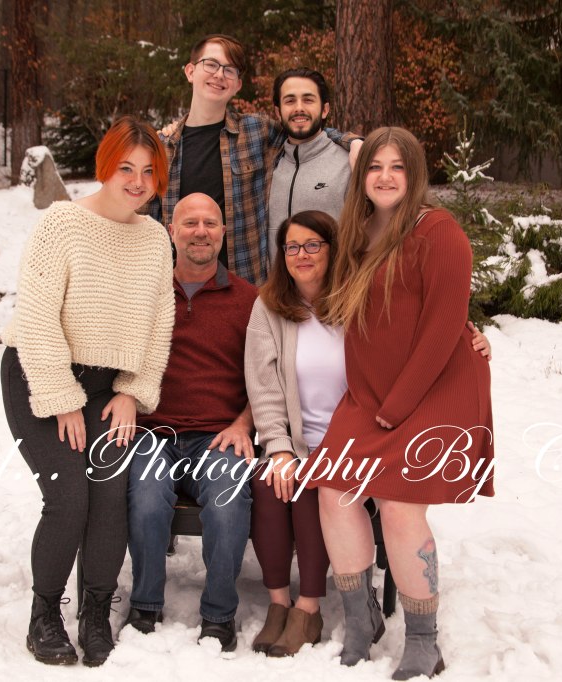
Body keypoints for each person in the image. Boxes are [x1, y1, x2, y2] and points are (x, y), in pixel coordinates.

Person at [244, 211, 491, 659]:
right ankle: (321, 611)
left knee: (350, 494)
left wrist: (466, 335)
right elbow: (263, 387)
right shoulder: (270, 307)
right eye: (292, 247)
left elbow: (422, 321)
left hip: (367, 434)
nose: (302, 255)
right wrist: (279, 447)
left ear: (334, 251)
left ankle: (338, 616)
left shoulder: (359, 298)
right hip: (302, 444)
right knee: (290, 487)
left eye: (313, 245)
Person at [311, 127, 495, 680]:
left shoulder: (439, 231)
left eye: (398, 167)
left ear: (415, 175)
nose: (385, 176)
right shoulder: (357, 231)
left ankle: (423, 641)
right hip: (372, 391)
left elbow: (442, 328)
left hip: (433, 390)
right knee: (333, 490)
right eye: (375, 167)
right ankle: (361, 618)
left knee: (398, 504)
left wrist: (397, 407)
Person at [0, 116, 174, 667]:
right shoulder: (62, 223)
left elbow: (159, 323)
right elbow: (36, 315)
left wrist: (132, 391)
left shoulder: (155, 238)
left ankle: (95, 611)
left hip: (107, 387)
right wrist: (62, 398)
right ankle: (45, 614)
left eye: (148, 171)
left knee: (109, 496)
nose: (137, 181)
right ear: (105, 167)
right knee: (69, 496)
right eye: (126, 168)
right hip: (39, 372)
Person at [125, 192, 259, 653]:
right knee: (146, 500)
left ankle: (219, 615)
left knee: (226, 503)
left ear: (223, 232)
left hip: (219, 434)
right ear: (171, 231)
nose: (200, 231)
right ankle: (145, 604)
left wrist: (243, 424)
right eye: (189, 223)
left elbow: (269, 378)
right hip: (153, 431)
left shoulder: (249, 301)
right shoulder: (147, 293)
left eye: (209, 223)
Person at [146, 35, 360, 285]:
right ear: (190, 71)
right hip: (180, 291)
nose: (219, 75)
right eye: (211, 64)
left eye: (229, 69)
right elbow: (147, 226)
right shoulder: (162, 148)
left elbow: (306, 130)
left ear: (237, 84)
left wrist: (354, 142)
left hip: (246, 289)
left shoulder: (256, 132)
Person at [266, 69, 351, 262]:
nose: (299, 108)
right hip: (276, 281)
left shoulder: (348, 165)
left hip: (336, 281)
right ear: (278, 112)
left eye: (308, 100)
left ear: (325, 109)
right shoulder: (268, 166)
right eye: (290, 101)